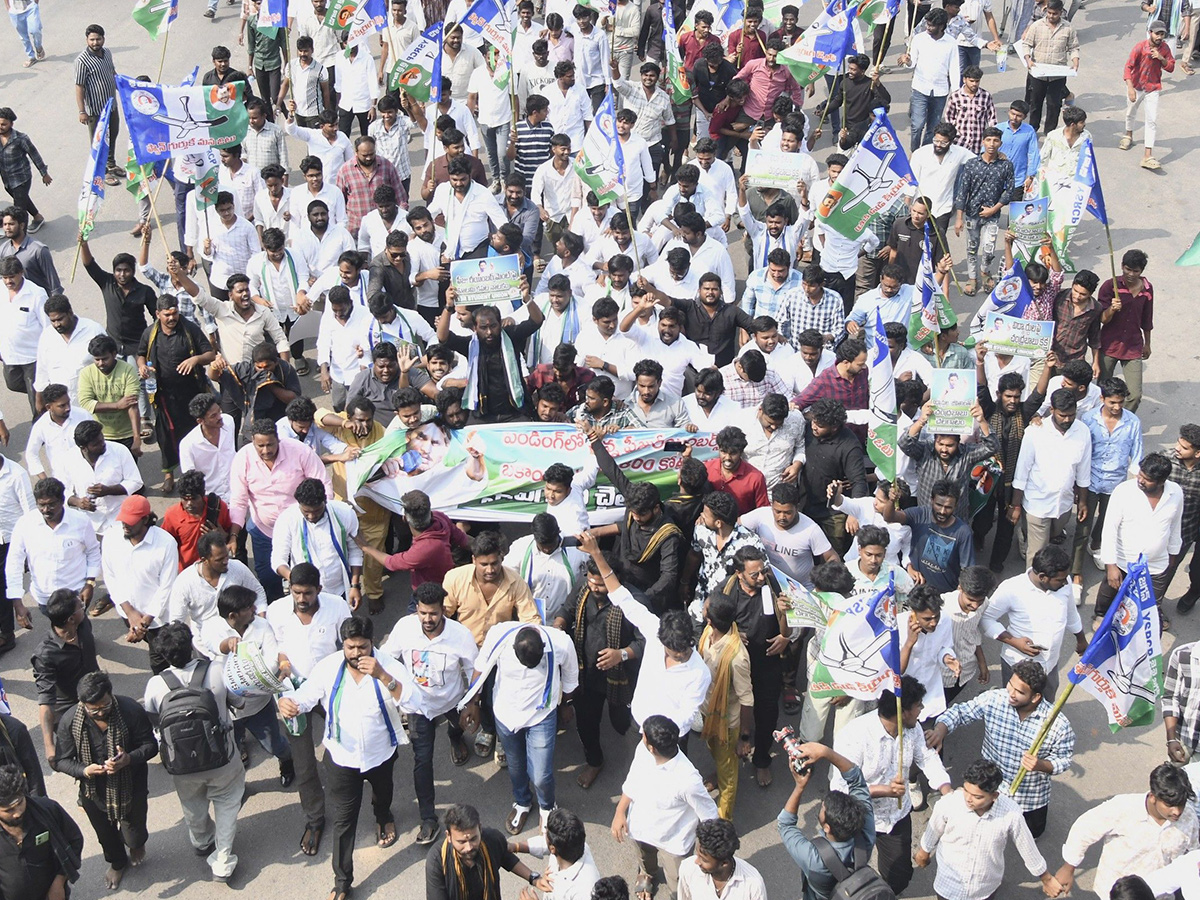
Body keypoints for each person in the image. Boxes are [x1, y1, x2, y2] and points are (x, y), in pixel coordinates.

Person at [278, 616, 422, 899]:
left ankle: (383, 816)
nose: (356, 654)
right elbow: (306, 696)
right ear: (342, 644)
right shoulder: (328, 667)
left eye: (363, 647)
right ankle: (342, 882)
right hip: (342, 759)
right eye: (351, 647)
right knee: (344, 821)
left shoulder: (389, 667)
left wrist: (383, 676)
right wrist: (290, 703)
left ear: (372, 643)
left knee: (383, 794)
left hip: (381, 754)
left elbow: (414, 703)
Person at [577, 531, 712, 739]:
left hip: (669, 737)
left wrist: (658, 737)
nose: (678, 656)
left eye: (682, 653)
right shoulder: (654, 630)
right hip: (639, 724)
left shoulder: (699, 673)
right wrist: (596, 553)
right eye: (673, 652)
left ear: (691, 641)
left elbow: (686, 715)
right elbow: (622, 597)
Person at [143, 621, 245, 882]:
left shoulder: (155, 685)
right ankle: (223, 860)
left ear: (164, 654)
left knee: (192, 802)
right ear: (190, 646)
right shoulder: (217, 670)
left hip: (181, 763)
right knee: (227, 802)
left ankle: (201, 840)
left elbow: (153, 721)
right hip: (223, 758)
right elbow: (240, 702)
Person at [832, 677, 952, 895]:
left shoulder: (913, 729)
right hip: (858, 818)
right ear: (903, 712)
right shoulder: (854, 736)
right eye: (918, 706)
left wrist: (947, 791)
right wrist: (882, 791)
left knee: (899, 877)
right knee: (850, 876)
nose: (922, 710)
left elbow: (926, 758)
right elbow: (839, 790)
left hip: (895, 817)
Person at [928, 659, 1074, 838]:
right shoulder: (994, 699)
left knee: (1031, 834)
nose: (1011, 693)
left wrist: (1041, 765)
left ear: (1035, 697)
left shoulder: (1057, 724)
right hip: (991, 789)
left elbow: (1064, 759)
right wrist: (940, 730)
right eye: (1010, 685)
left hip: (1030, 797)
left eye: (1019, 692)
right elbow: (960, 712)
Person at [266, 563, 353, 857]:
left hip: (329, 691)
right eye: (296, 592)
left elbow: (349, 645)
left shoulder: (337, 606)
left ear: (319, 589)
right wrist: (282, 664)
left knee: (342, 747)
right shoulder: (277, 611)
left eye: (307, 593)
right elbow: (273, 647)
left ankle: (346, 800)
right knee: (303, 764)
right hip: (293, 694)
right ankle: (315, 819)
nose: (301, 599)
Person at [379, 582, 475, 844]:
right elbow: (386, 658)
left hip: (452, 702)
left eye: (433, 613)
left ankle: (455, 738)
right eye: (422, 613)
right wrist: (397, 689)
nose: (427, 619)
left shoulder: (461, 635)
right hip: (418, 708)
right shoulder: (404, 628)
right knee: (422, 761)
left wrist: (472, 702)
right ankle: (428, 819)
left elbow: (473, 670)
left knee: (457, 729)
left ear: (443, 610)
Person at [461, 621, 579, 834]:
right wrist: (473, 703)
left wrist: (566, 705)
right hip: (505, 715)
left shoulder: (561, 643)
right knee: (515, 765)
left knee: (541, 774)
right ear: (513, 647)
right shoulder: (499, 635)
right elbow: (481, 667)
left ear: (544, 647)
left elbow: (571, 676)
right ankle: (523, 802)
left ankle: (547, 806)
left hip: (541, 716)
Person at [52, 671, 155, 891]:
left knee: (134, 835)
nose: (100, 712)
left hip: (131, 785)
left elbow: (150, 745)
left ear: (111, 694)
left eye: (105, 705)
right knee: (106, 836)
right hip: (93, 791)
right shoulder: (70, 721)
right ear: (82, 703)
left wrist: (129, 759)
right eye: (93, 709)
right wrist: (84, 770)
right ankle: (117, 863)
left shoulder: (130, 710)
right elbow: (61, 760)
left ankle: (136, 845)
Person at [553, 550, 643, 791]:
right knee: (586, 721)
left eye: (601, 584)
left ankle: (639, 769)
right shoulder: (584, 587)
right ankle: (594, 761)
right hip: (586, 672)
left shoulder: (634, 601)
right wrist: (559, 625)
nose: (594, 587)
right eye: (591, 581)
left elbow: (646, 641)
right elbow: (567, 609)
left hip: (622, 677)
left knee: (624, 724)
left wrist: (621, 654)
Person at [916, 759, 1060, 900]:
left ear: (994, 796)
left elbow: (1027, 848)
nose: (968, 799)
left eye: (977, 796)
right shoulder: (949, 804)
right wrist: (923, 853)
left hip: (984, 889)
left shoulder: (1011, 814)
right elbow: (932, 831)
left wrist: (1046, 879)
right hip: (949, 886)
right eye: (966, 791)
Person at [611, 715, 720, 900]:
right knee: (645, 858)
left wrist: (704, 852)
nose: (641, 736)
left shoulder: (688, 780)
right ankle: (647, 873)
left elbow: (709, 815)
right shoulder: (643, 751)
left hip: (673, 840)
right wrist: (619, 811)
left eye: (644, 735)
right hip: (641, 827)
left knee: (678, 883)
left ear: (652, 747)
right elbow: (633, 779)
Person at [1056, 763, 1198, 898]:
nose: (1177, 811)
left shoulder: (1189, 818)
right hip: (1118, 894)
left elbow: (1193, 854)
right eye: (1170, 805)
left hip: (1159, 896)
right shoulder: (1124, 808)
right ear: (1153, 797)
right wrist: (1069, 867)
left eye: (1181, 804)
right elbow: (1085, 829)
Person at [228, 418, 331, 601]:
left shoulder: (300, 451)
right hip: (264, 532)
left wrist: (321, 519)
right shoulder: (242, 458)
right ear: (253, 442)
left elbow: (323, 485)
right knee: (268, 578)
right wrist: (234, 535)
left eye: (270, 444)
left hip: (302, 530)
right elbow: (238, 501)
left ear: (278, 439)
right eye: (260, 446)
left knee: (307, 578)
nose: (266, 450)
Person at [199, 584, 293, 780]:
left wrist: (252, 679)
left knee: (274, 744)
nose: (254, 609)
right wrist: (227, 644)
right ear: (233, 615)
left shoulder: (262, 625)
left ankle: (287, 761)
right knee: (231, 748)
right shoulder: (211, 626)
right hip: (228, 710)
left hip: (259, 705)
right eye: (249, 607)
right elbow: (213, 646)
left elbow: (272, 659)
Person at [776, 739, 876, 900]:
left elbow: (785, 824)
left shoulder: (815, 860)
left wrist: (800, 786)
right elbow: (856, 780)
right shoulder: (866, 833)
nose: (822, 805)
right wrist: (825, 752)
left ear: (827, 827)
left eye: (823, 808)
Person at [981, 544, 1083, 697]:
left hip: (1050, 665)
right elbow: (986, 618)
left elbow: (1071, 613)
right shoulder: (1012, 588)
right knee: (1015, 704)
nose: (1065, 583)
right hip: (1018, 665)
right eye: (1059, 580)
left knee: (1046, 704)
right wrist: (1015, 642)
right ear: (1042, 577)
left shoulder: (1064, 582)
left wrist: (1081, 639)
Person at [138, 295, 216, 492]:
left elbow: (210, 354)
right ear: (158, 314)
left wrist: (195, 359)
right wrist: (142, 366)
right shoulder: (150, 333)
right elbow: (141, 354)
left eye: (174, 313)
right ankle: (169, 475)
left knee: (194, 433)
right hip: (164, 396)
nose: (172, 318)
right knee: (166, 436)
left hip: (191, 393)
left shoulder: (189, 329)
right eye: (167, 315)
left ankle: (197, 472)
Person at [1097, 452, 1182, 630]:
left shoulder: (1175, 493)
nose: (1140, 480)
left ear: (1161, 481)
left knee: (1150, 605)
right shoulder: (1123, 491)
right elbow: (1110, 529)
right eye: (1140, 475)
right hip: (1123, 561)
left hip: (1157, 565)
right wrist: (1111, 565)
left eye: (1147, 479)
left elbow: (1175, 526)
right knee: (1110, 595)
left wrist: (1173, 555)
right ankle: (1101, 616)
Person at [1010, 388, 1092, 566]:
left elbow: (1084, 471)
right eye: (1063, 415)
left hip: (1064, 504)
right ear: (1052, 410)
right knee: (1037, 554)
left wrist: (1083, 502)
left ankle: (1025, 533)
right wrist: (1015, 505)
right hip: (1037, 503)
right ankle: (1033, 580)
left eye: (1071, 415)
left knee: (1054, 535)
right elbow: (1022, 472)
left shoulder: (1083, 431)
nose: (1067, 420)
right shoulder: (1035, 432)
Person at [101, 496, 179, 673]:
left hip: (158, 620)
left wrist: (143, 622)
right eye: (123, 520)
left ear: (145, 519)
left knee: (160, 662)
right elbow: (110, 576)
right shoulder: (111, 538)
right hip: (127, 613)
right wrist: (130, 613)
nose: (125, 525)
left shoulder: (166, 543)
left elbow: (167, 587)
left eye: (130, 521)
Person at [7, 478, 100, 626]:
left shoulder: (81, 521)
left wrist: (89, 584)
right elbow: (14, 563)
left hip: (76, 595)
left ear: (62, 500)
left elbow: (93, 552)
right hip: (45, 598)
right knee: (62, 630)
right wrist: (17, 603)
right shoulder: (25, 525)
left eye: (51, 504)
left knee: (80, 631)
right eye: (41, 505)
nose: (46, 510)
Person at [270, 477, 363, 608]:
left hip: (340, 590)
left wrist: (354, 585)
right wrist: (299, 582)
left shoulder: (345, 513)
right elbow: (278, 560)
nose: (311, 516)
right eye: (306, 512)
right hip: (306, 596)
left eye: (317, 511)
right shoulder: (286, 519)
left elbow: (355, 551)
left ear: (325, 501)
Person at [31, 589, 99, 767]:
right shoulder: (45, 654)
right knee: (87, 754)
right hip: (71, 711)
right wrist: (49, 747)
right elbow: (46, 702)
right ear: (70, 619)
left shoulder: (82, 625)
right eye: (80, 606)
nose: (84, 607)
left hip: (97, 695)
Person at [0, 763, 85, 900]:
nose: (17, 813)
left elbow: (74, 841)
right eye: (8, 810)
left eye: (20, 803)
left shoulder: (48, 810)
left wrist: (59, 881)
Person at [425, 802, 542, 900]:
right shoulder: (437, 860)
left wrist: (534, 879)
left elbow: (506, 857)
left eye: (473, 839)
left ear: (480, 829)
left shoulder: (491, 839)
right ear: (448, 836)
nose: (469, 847)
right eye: (461, 842)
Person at [879, 479, 976, 594]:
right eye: (938, 505)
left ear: (955, 506)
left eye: (948, 507)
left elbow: (967, 569)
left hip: (943, 595)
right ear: (931, 500)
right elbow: (889, 517)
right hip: (915, 589)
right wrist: (891, 501)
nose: (942, 511)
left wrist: (961, 592)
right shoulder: (920, 515)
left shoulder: (963, 532)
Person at [168, 528, 266, 636]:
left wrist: (262, 620)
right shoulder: (184, 582)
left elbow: (258, 591)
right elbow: (177, 621)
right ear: (204, 560)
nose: (225, 562)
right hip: (204, 642)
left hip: (242, 637)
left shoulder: (238, 568)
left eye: (226, 556)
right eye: (219, 559)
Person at [953, 127, 1014, 295]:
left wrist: (993, 209)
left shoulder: (1006, 165)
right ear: (983, 142)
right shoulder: (972, 164)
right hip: (972, 215)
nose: (991, 144)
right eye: (988, 140)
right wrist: (959, 218)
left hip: (992, 216)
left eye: (995, 141)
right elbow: (963, 191)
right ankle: (972, 278)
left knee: (989, 249)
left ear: (1000, 143)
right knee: (972, 248)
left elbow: (1009, 191)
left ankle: (985, 273)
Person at [60, 419, 143, 537]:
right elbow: (62, 491)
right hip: (90, 524)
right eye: (96, 444)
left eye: (102, 439)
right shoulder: (68, 460)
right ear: (83, 448)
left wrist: (108, 490)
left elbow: (136, 481)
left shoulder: (119, 450)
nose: (103, 444)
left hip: (120, 518)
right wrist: (78, 502)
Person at [1096, 249, 1154, 412]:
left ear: (1141, 271)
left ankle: (1122, 418)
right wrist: (1112, 309)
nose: (1131, 274)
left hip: (1133, 346)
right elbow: (1103, 319)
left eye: (1136, 271)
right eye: (1128, 269)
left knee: (1134, 395)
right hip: (1109, 345)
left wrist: (1147, 344)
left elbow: (1147, 319)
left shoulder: (1147, 289)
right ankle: (1102, 417)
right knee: (1102, 389)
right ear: (1122, 266)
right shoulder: (1110, 286)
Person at [898, 10, 960, 150]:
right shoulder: (919, 39)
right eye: (927, 24)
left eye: (932, 25)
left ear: (941, 26)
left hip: (940, 91)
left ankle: (925, 153)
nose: (928, 27)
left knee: (933, 128)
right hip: (920, 88)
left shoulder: (951, 43)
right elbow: (912, 64)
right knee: (917, 125)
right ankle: (914, 151)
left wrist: (956, 93)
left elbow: (954, 69)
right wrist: (907, 61)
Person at [33, 294, 106, 408]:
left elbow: (110, 362)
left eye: (60, 319)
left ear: (70, 312)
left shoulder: (93, 330)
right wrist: (39, 399)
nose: (57, 324)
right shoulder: (47, 336)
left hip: (93, 403)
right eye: (53, 321)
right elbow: (42, 370)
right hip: (61, 407)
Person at [1021, 0, 1080, 134]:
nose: (1051, 16)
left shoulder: (1068, 28)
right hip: (1038, 73)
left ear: (1061, 12)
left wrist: (1075, 62)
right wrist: (1028, 59)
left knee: (1054, 105)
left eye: (1055, 14)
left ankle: (1050, 133)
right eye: (1049, 13)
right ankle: (1033, 130)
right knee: (1035, 104)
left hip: (1057, 75)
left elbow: (1074, 47)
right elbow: (1026, 44)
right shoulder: (1036, 26)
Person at [0, 254, 49, 416]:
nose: (8, 281)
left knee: (36, 405)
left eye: (11, 277)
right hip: (9, 355)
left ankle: (41, 426)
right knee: (12, 384)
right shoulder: (1, 290)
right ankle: (47, 394)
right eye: (4, 277)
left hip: (32, 358)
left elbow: (48, 327)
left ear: (21, 273)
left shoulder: (36, 294)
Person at [1123, 21, 1175, 171]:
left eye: (1162, 34)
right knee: (1130, 113)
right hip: (1137, 86)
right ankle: (1128, 135)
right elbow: (1128, 67)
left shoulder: (1164, 49)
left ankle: (1147, 156)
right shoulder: (1140, 47)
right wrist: (1130, 88)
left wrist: (1161, 58)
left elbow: (1171, 67)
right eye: (1157, 33)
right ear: (1150, 33)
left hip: (1153, 88)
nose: (1159, 37)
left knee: (1151, 120)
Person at [77, 335, 142, 454]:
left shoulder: (128, 370)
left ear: (114, 354)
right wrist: (117, 405)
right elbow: (86, 403)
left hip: (127, 435)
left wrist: (137, 437)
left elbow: (132, 406)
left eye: (105, 359)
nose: (101, 363)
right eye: (97, 359)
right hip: (100, 435)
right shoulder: (86, 373)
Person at [74, 23, 120, 183]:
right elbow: (79, 86)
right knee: (99, 142)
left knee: (113, 135)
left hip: (112, 106)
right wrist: (82, 111)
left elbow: (113, 73)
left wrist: (125, 89)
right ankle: (103, 172)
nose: (95, 43)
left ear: (103, 39)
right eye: (92, 39)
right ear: (87, 40)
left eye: (98, 39)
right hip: (95, 111)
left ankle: (111, 164)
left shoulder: (107, 53)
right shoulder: (82, 61)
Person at [0, 448, 34, 653]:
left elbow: (30, 513)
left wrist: (29, 547)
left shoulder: (16, 475)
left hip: (11, 540)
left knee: (3, 585)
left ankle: (6, 634)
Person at [178, 395, 236, 505]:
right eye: (213, 416)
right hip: (210, 500)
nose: (219, 417)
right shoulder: (188, 445)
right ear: (200, 421)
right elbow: (190, 479)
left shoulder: (229, 422)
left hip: (236, 492)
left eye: (219, 411)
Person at [0, 109, 49, 232]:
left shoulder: (20, 139)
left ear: (11, 124)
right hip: (7, 180)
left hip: (21, 179)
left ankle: (20, 235)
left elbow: (34, 155)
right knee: (22, 198)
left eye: (4, 124)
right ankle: (38, 217)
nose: (0, 127)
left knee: (18, 211)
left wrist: (44, 173)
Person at [0, 204, 60, 294]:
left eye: (11, 224)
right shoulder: (3, 250)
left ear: (21, 225)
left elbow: (54, 285)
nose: (7, 228)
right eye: (5, 224)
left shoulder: (38, 250)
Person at [943, 66, 997, 156]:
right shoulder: (956, 96)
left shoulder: (985, 96)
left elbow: (992, 118)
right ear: (964, 80)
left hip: (977, 144)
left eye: (977, 81)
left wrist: (991, 138)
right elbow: (949, 118)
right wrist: (953, 133)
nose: (974, 84)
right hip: (959, 142)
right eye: (971, 81)